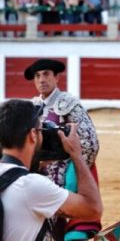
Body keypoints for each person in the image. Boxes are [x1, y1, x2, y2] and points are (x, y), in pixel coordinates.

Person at [0, 99, 103, 241]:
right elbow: (92, 209)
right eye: (41, 129)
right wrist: (76, 155)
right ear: (33, 135)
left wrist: (35, 164)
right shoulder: (31, 186)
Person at [25, 58, 100, 240]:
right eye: (37, 76)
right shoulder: (31, 107)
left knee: (67, 228)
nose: (42, 80)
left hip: (65, 176)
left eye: (46, 74)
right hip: (38, 176)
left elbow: (90, 143)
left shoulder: (68, 104)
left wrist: (73, 173)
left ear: (57, 77)